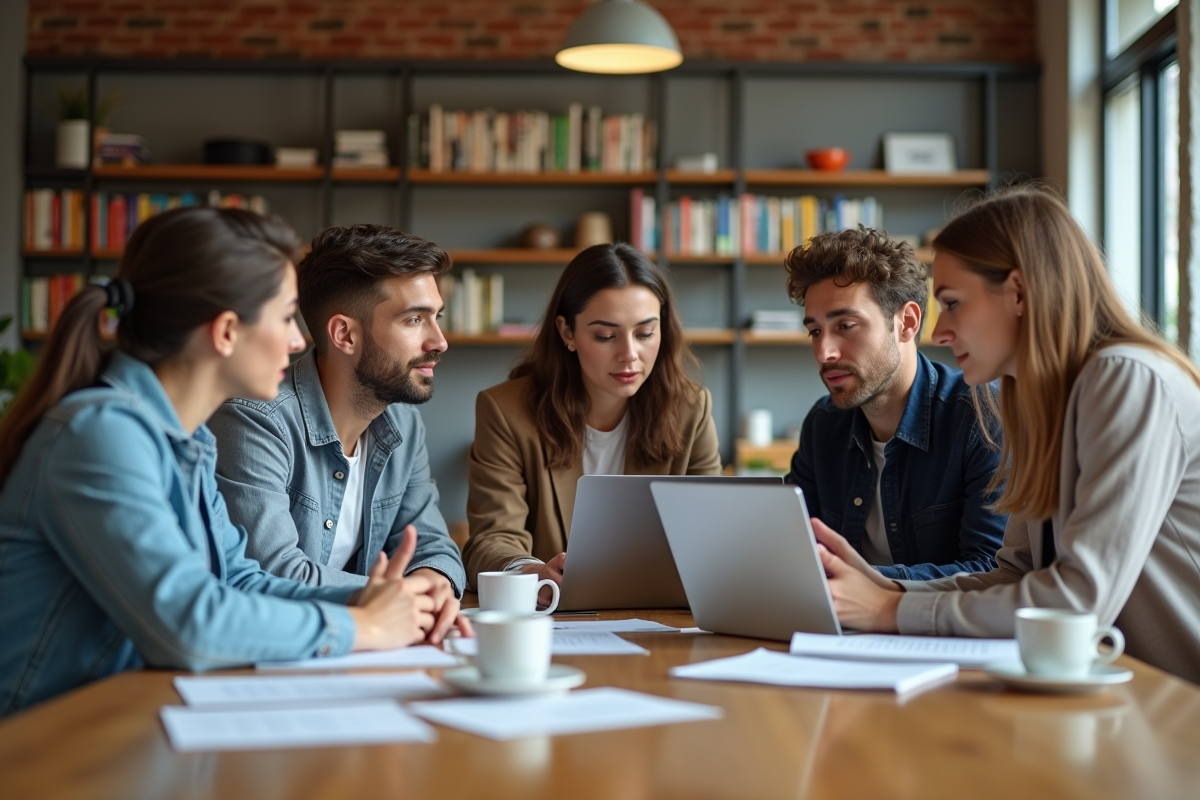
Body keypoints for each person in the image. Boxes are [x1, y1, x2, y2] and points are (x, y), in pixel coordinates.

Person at [0, 208, 454, 716]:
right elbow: (188, 624)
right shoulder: (102, 435)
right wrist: (364, 627)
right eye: (285, 317)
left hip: (121, 719)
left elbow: (242, 581)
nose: (300, 340)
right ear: (226, 332)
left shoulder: (188, 440)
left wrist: (381, 605)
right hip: (39, 746)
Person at [814, 186, 1200, 685]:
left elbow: (1077, 603)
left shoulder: (1126, 378)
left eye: (951, 303)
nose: (939, 333)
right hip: (1125, 694)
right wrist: (887, 589)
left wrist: (890, 612)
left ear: (1017, 292)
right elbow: (1016, 576)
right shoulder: (1038, 400)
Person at [208, 224, 467, 646]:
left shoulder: (403, 423)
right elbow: (271, 572)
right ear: (345, 334)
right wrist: (395, 599)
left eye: (436, 317)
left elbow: (432, 542)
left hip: (367, 648)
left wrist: (434, 580)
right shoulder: (255, 420)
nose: (439, 341)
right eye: (414, 319)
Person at [462, 243, 722, 592]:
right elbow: (490, 540)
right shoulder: (506, 412)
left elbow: (710, 533)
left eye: (646, 333)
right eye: (605, 336)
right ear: (567, 332)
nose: (629, 354)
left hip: (659, 616)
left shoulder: (692, 409)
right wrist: (530, 572)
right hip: (556, 618)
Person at [784, 227, 1006, 580]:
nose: (824, 352)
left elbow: (991, 570)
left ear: (907, 322)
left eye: (846, 325)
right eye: (815, 330)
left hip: (938, 632)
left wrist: (868, 585)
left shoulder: (982, 416)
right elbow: (792, 551)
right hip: (840, 628)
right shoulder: (822, 424)